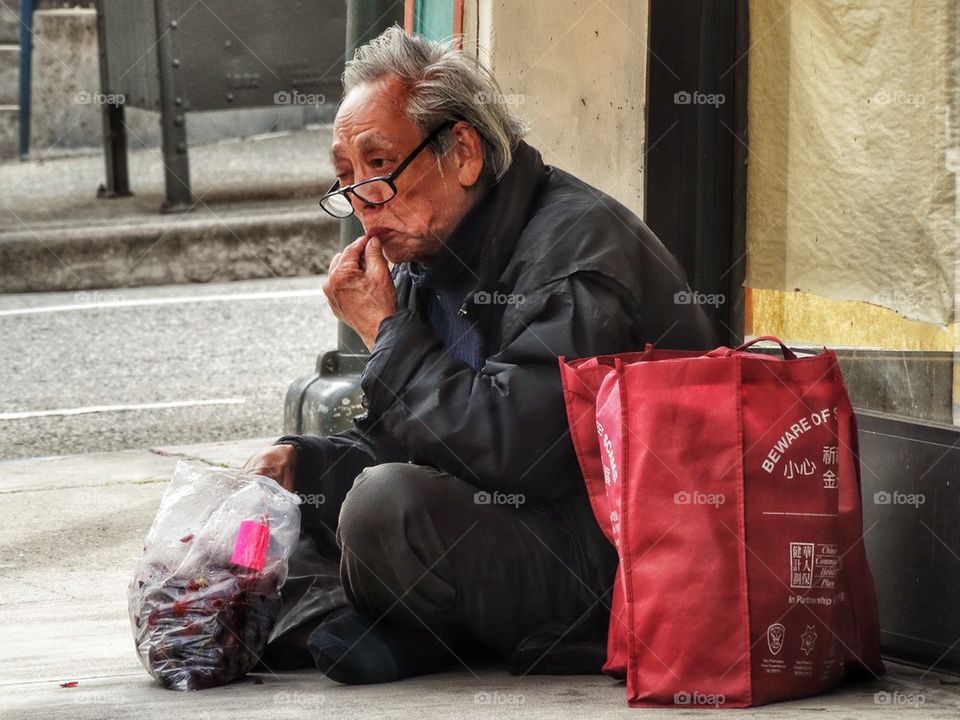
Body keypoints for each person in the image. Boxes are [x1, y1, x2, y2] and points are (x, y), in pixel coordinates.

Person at [243, 25, 716, 684]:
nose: (363, 204)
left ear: (462, 153)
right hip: (521, 525)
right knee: (290, 502)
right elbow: (421, 442)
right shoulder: (432, 250)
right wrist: (305, 465)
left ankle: (387, 628)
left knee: (384, 511)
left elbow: (514, 455)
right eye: (347, 180)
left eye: (381, 168)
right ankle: (389, 628)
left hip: (616, 561)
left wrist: (386, 334)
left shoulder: (575, 256)